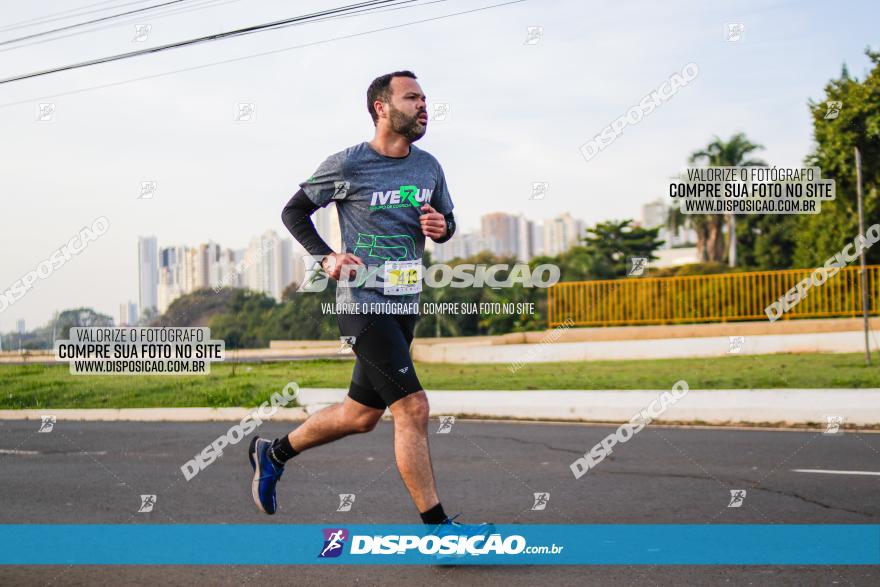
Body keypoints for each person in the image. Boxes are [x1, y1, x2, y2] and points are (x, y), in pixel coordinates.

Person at [248, 70, 491, 536]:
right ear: (382, 107)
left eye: (425, 99)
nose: (424, 106)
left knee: (360, 416)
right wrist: (327, 257)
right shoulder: (349, 164)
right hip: (363, 304)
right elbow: (293, 210)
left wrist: (443, 227)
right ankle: (438, 532)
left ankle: (272, 453)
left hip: (406, 305)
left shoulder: (429, 167)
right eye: (412, 98)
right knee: (413, 408)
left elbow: (447, 221)